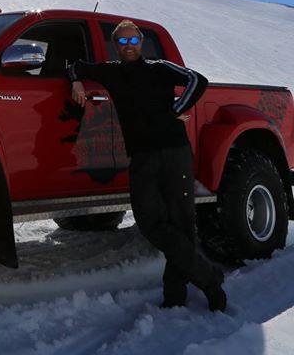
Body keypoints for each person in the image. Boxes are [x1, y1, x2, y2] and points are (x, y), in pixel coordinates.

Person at [68, 19, 226, 312]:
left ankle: (175, 296)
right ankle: (209, 277)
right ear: (116, 45)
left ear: (141, 43)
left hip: (175, 152)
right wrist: (76, 79)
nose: (129, 46)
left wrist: (174, 110)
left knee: (181, 224)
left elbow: (197, 81)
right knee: (150, 222)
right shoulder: (112, 71)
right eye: (123, 42)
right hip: (143, 156)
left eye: (133, 41)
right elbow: (76, 65)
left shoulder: (159, 67)